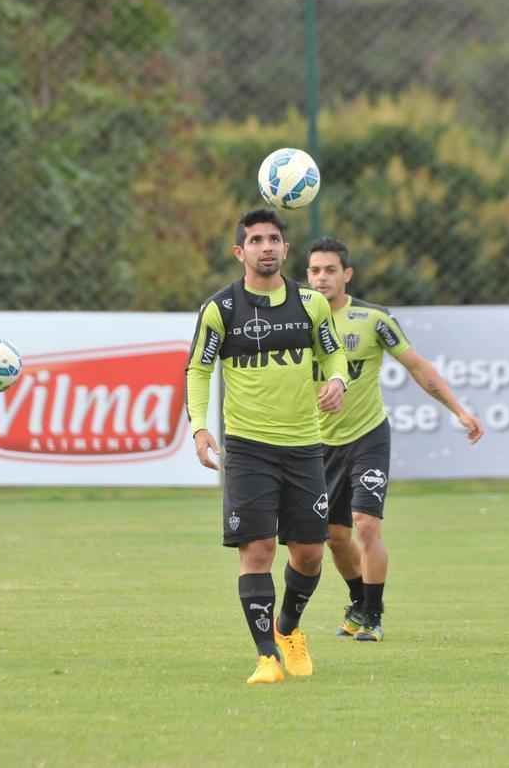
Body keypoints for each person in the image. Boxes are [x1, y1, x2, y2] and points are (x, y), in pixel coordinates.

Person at [186, 209, 351, 685]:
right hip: (248, 448)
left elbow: (332, 351)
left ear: (285, 248)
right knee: (256, 550)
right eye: (256, 240)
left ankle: (289, 630)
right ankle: (266, 658)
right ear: (240, 252)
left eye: (274, 238)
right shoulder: (222, 309)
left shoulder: (310, 303)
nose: (267, 247)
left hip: (304, 445)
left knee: (309, 554)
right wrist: (200, 427)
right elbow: (197, 369)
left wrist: (337, 378)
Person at [306, 237, 484, 642]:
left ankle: (372, 614)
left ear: (346, 275)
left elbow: (417, 367)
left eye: (330, 270)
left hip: (368, 436)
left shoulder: (374, 320)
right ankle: (359, 601)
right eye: (314, 270)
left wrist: (459, 409)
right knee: (334, 538)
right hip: (318, 443)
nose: (321, 278)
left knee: (366, 525)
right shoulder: (298, 321)